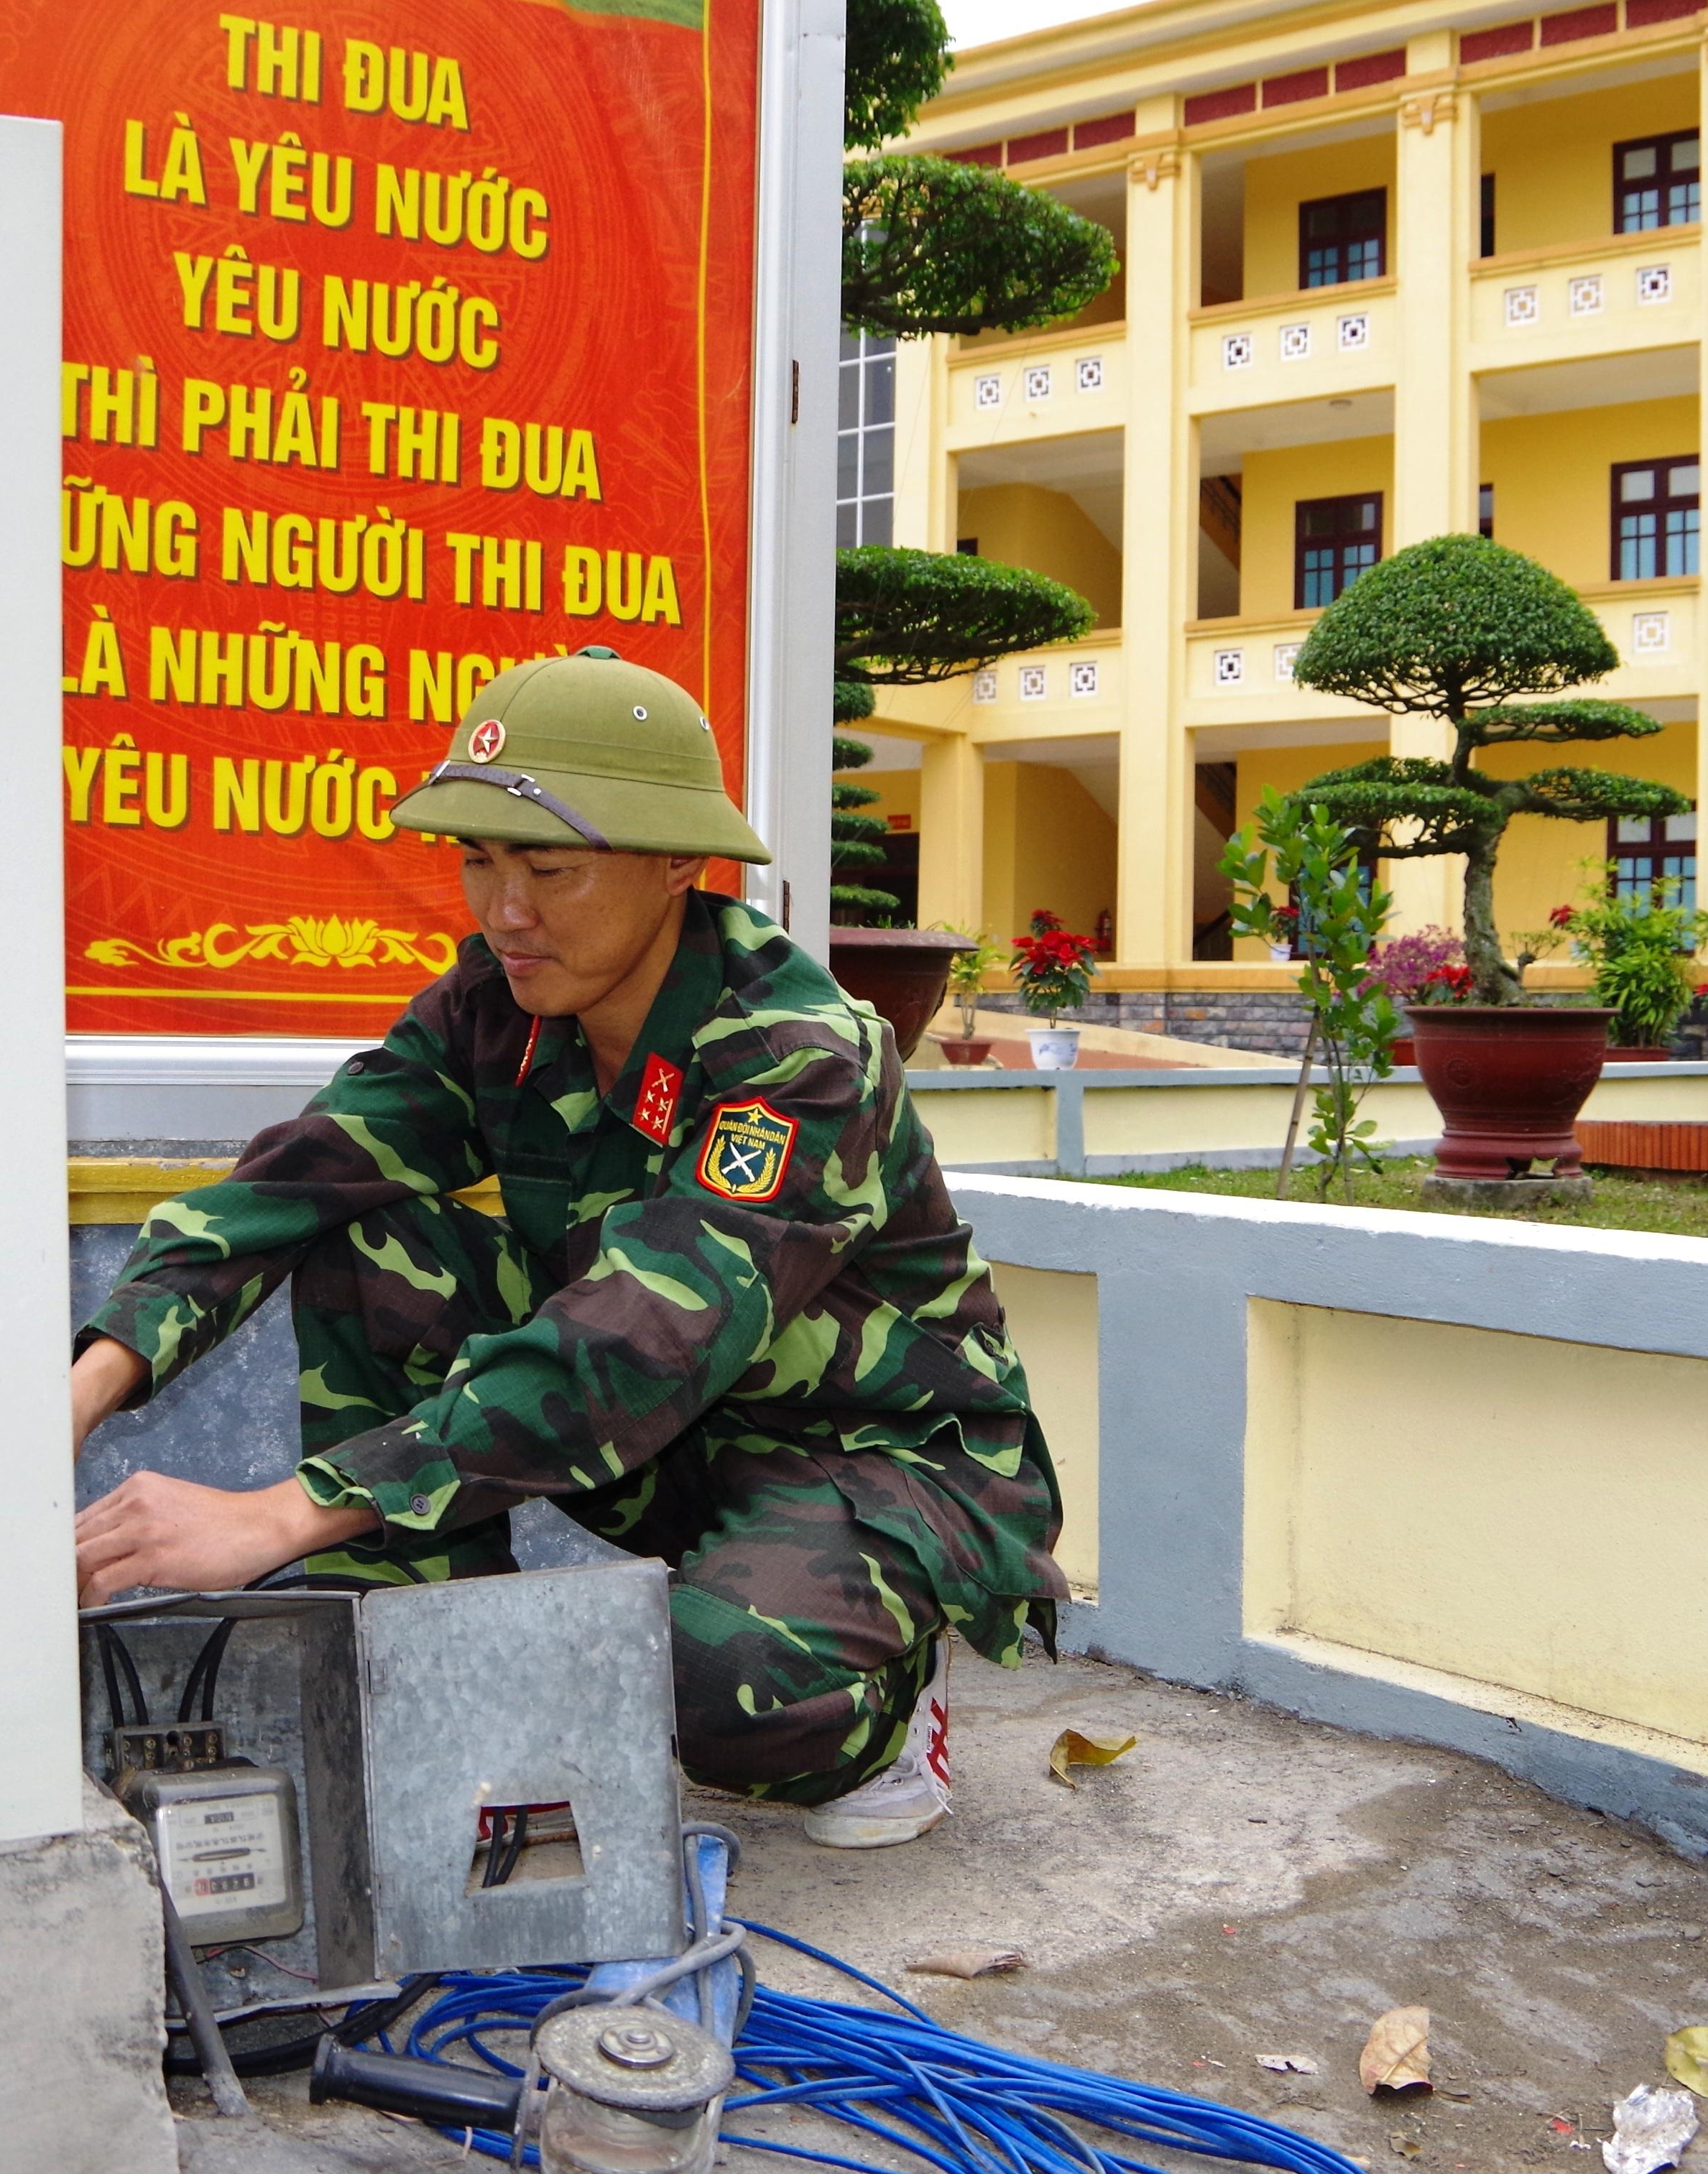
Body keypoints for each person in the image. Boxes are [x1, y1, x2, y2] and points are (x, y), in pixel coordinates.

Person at [68, 646, 1062, 1848]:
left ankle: (892, 1693)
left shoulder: (796, 1054)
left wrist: (282, 1512)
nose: (505, 911)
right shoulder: (496, 1000)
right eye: (477, 862)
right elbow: (298, 1175)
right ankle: (420, 1636)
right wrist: (82, 1389)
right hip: (660, 1444)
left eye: (549, 868)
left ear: (675, 868)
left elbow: (639, 1341)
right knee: (368, 1226)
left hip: (870, 1459)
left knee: (720, 1693)